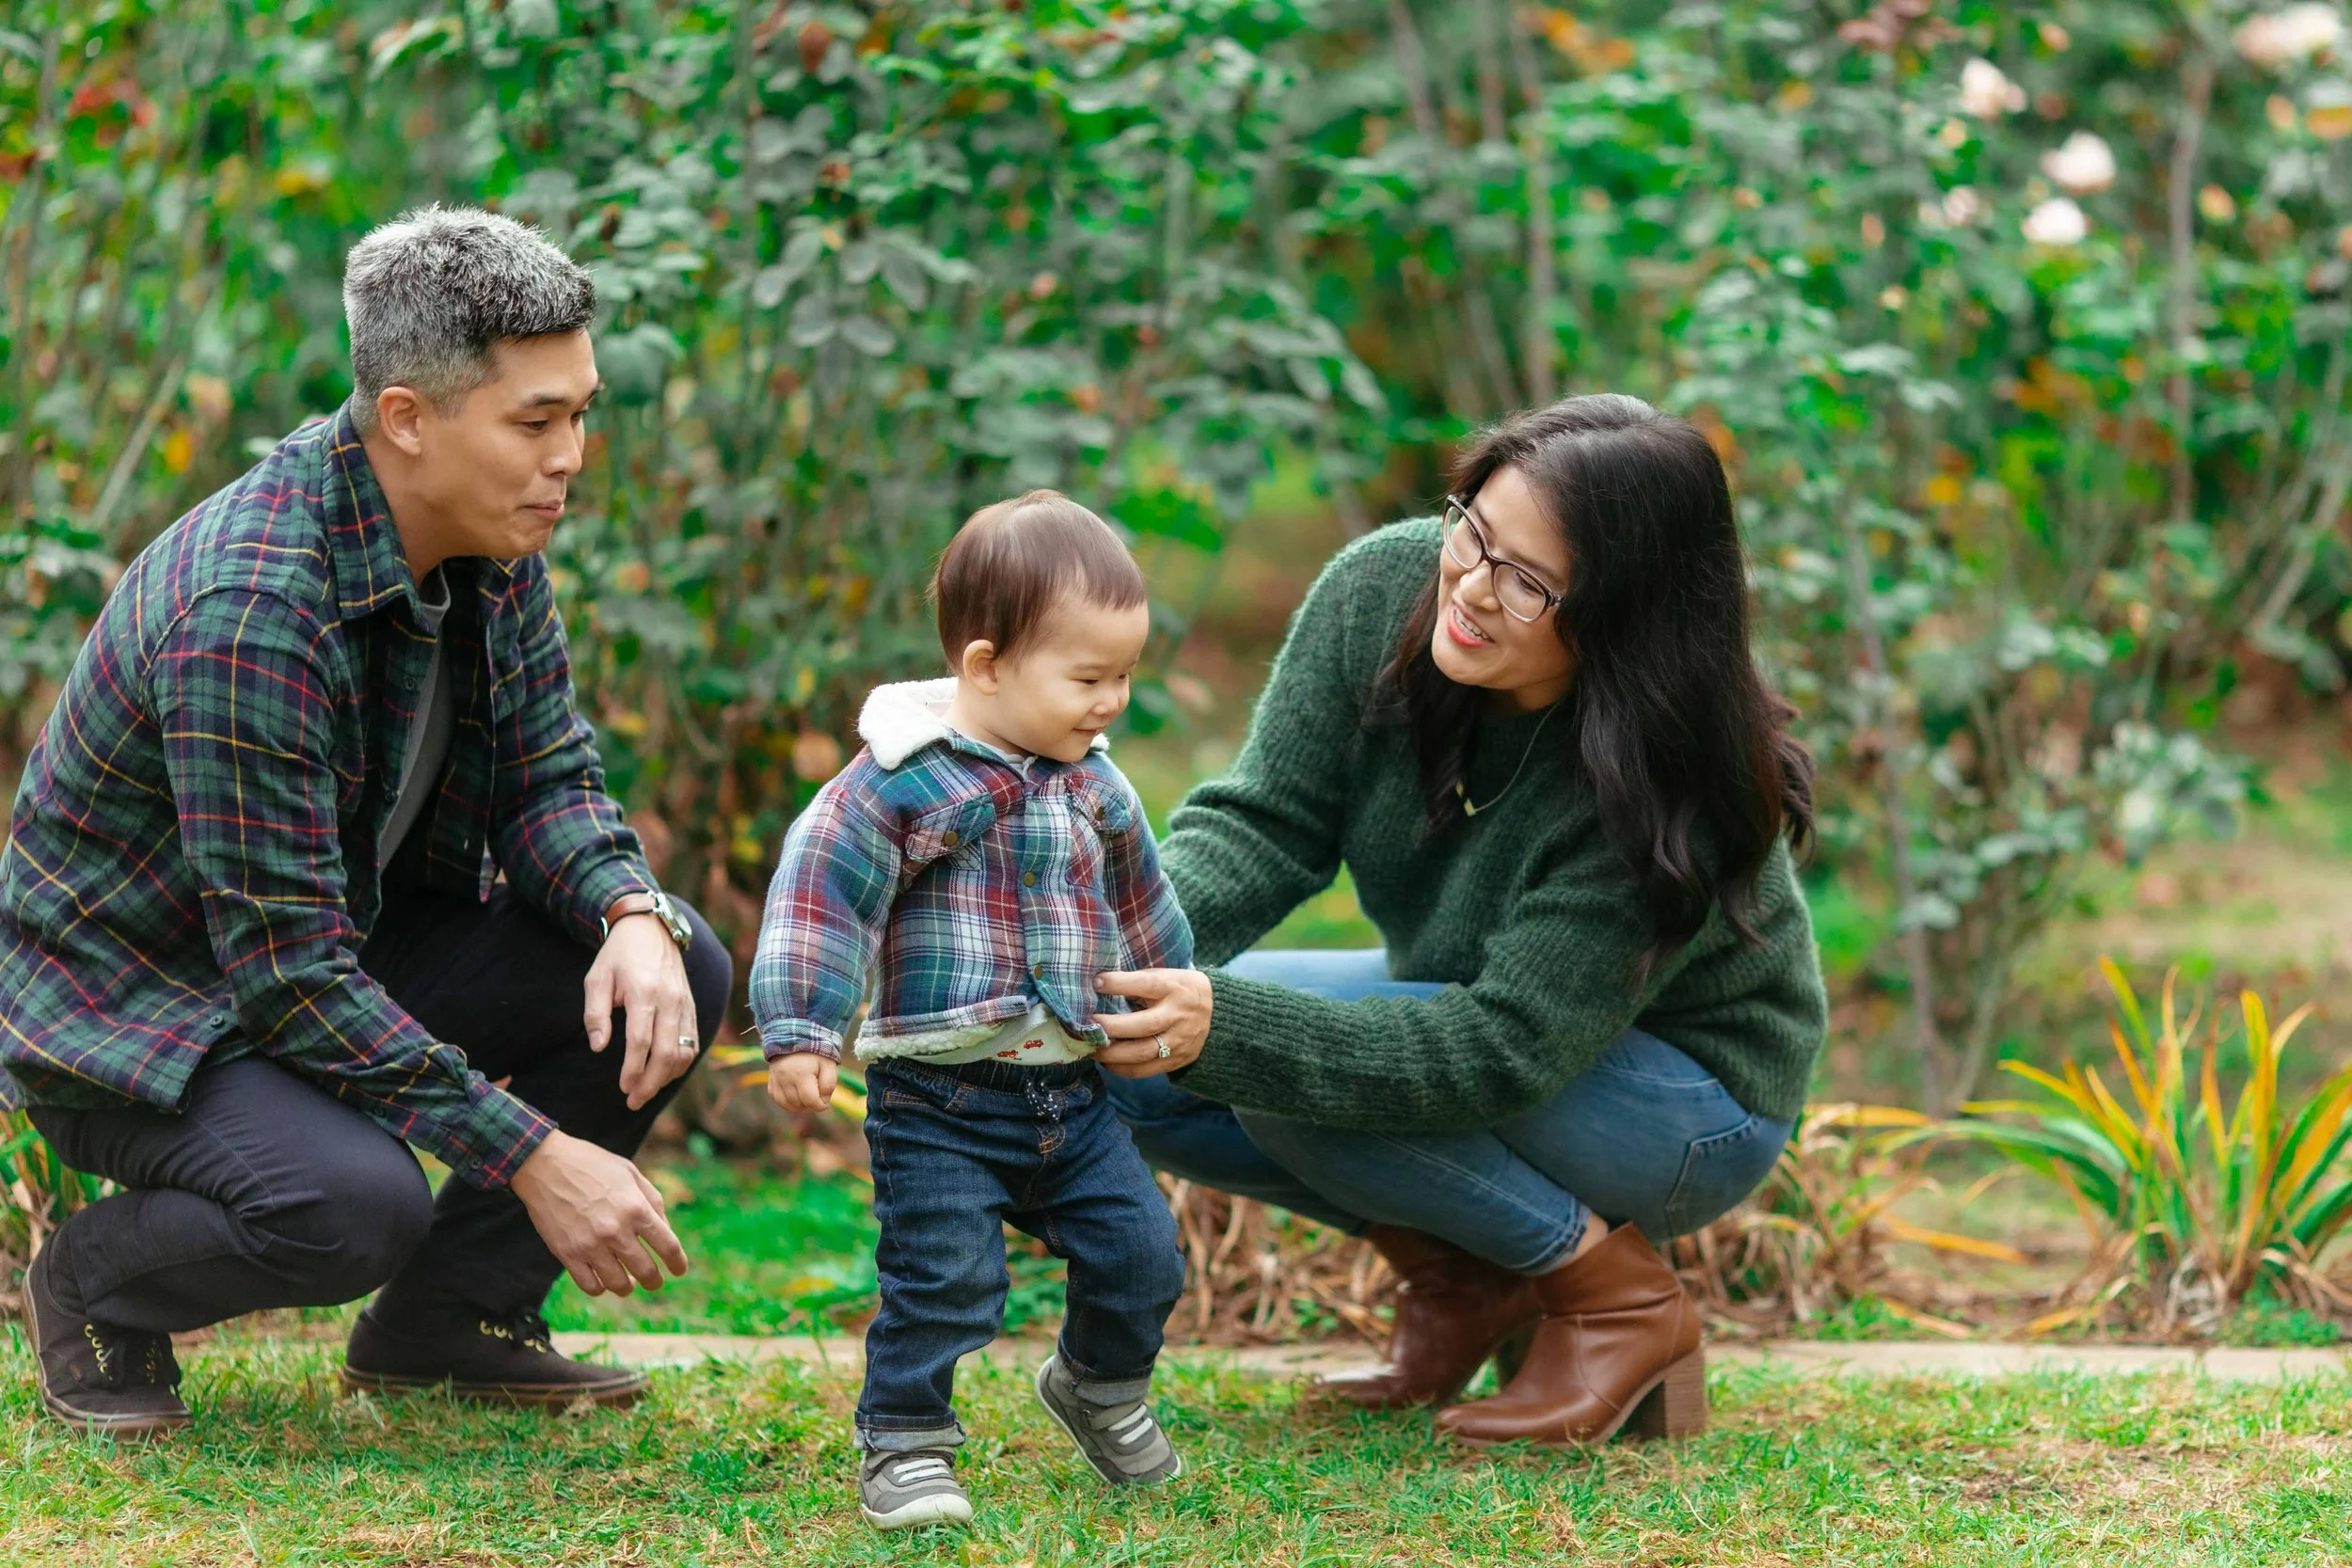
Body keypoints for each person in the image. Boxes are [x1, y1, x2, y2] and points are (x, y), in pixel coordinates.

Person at [1, 207, 732, 1437]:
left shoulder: (493, 533)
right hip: (145, 1007)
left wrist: (630, 909)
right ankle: (91, 1281)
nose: (573, 455)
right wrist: (535, 1152)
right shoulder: (250, 608)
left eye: (582, 411)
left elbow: (549, 777)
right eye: (536, 421)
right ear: (407, 418)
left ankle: (448, 1318)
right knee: (352, 1202)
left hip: (334, 939)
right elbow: (286, 980)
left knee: (673, 966)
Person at [1089, 395, 1827, 1446]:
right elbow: (1267, 821)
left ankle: (1619, 1302)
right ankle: (1466, 1277)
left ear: (1624, 615)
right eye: (1472, 529)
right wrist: (1099, 948)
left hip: (1685, 1100)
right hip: (1481, 1020)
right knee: (1130, 1048)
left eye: (1528, 581)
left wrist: (1234, 1030)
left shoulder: (1664, 781)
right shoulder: (1382, 588)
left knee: (1290, 1068)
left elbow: (1502, 1047)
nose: (1471, 588)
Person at [754, 491, 1191, 1530]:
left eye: (1124, 674)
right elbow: (821, 892)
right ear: (986, 663)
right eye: (1088, 677)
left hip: (1074, 1093)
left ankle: (1099, 1384)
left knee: (1143, 1255)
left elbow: (1143, 905)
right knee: (946, 1275)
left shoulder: (1099, 788)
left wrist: (1167, 1003)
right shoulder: (898, 784)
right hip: (939, 1095)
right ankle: (905, 1439)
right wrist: (804, 1027)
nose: (1112, 702)